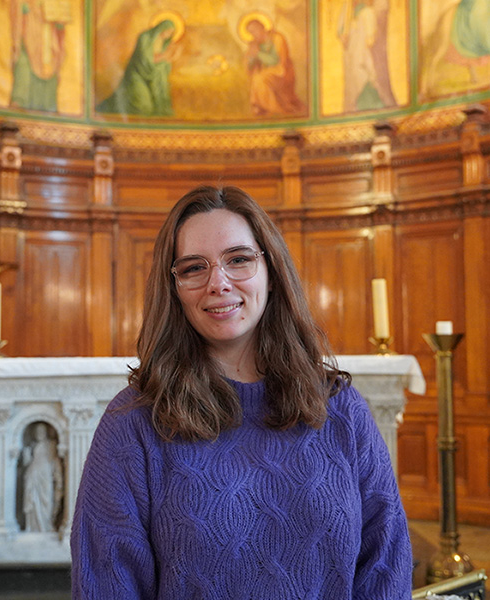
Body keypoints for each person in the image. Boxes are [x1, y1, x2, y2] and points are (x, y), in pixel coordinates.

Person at [71, 185, 413, 598]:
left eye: (238, 259)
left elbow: (385, 563)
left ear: (271, 274)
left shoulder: (341, 409)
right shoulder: (135, 422)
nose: (219, 282)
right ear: (174, 288)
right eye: (194, 268)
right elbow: (107, 583)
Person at [96, 19, 181, 117]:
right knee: (143, 106)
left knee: (155, 106)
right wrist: (166, 56)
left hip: (153, 76)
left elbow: (162, 63)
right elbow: (145, 60)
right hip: (137, 74)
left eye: (171, 33)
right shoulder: (145, 37)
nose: (169, 35)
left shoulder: (164, 42)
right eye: (168, 31)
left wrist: (172, 56)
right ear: (161, 28)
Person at [245, 19, 306, 116]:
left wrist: (258, 53)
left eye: (254, 30)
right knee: (257, 77)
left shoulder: (277, 38)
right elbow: (251, 67)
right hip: (267, 73)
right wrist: (251, 57)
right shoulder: (257, 44)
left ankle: (273, 108)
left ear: (262, 27)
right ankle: (261, 106)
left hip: (281, 71)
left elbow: (275, 61)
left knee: (259, 78)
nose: (253, 34)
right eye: (251, 32)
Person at [23, 422, 63, 532]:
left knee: (47, 501)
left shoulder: (52, 444)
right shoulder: (33, 446)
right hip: (33, 475)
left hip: (46, 476)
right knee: (33, 501)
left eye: (41, 431)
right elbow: (27, 462)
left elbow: (55, 461)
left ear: (46, 432)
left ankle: (47, 525)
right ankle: (32, 527)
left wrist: (58, 475)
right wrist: (26, 454)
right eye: (37, 432)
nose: (39, 434)